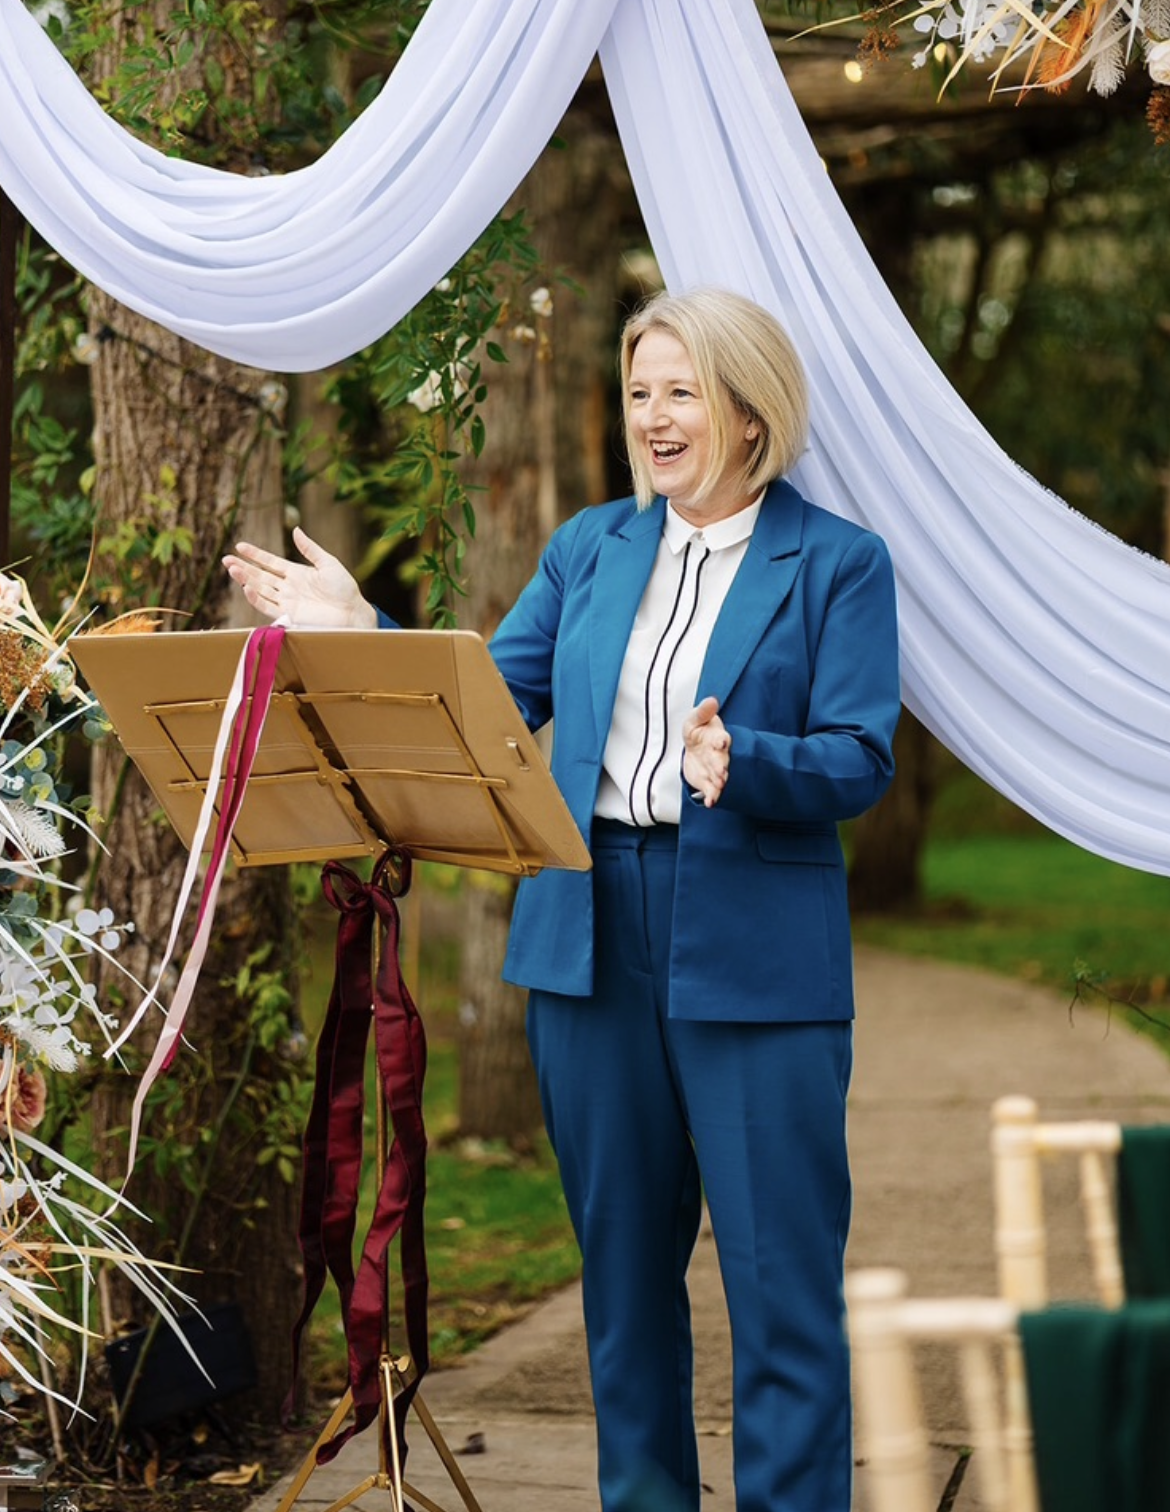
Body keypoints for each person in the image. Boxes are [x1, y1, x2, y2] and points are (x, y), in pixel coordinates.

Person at [224, 286, 901, 1512]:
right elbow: (479, 698)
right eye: (640, 392)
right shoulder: (591, 548)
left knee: (782, 1287)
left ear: (751, 415)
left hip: (758, 955)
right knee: (624, 1288)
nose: (654, 416)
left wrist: (752, 761)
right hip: (589, 939)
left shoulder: (838, 566)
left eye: (682, 391)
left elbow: (860, 755)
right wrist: (360, 627)